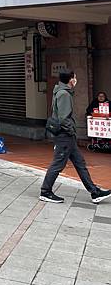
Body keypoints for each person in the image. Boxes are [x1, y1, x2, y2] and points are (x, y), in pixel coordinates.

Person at [40, 69, 111, 204]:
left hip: (67, 136)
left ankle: (94, 192)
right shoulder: (64, 94)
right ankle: (45, 191)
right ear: (70, 79)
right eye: (74, 77)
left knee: (80, 163)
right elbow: (63, 117)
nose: (76, 79)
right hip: (65, 135)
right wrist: (71, 130)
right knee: (58, 164)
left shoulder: (61, 91)